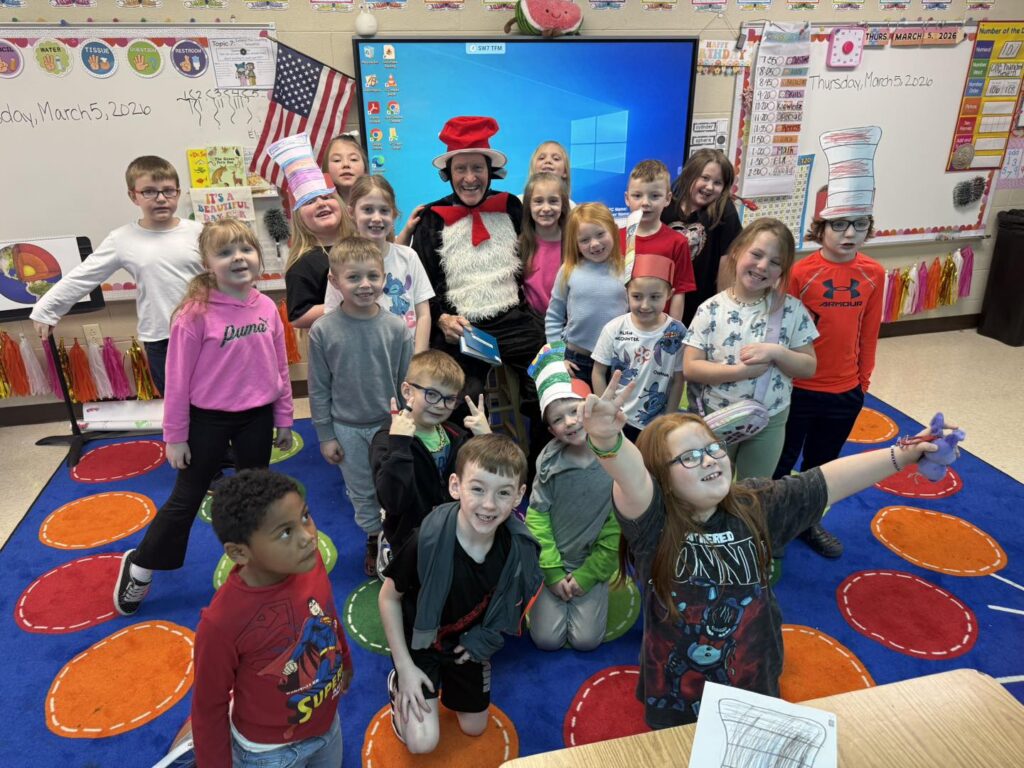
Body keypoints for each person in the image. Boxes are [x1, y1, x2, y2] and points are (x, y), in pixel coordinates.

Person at [579, 369, 957, 729]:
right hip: (678, 687)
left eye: (713, 448)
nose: (709, 460)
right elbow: (630, 474)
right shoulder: (652, 520)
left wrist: (904, 454)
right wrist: (608, 441)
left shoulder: (755, 502)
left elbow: (826, 481)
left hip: (752, 669)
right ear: (661, 478)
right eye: (689, 457)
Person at [114, 219, 293, 616]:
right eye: (225, 252)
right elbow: (177, 382)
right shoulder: (193, 315)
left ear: (258, 256)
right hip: (206, 420)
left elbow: (279, 367)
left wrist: (284, 416)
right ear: (207, 263)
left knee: (255, 494)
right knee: (188, 496)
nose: (238, 258)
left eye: (245, 249)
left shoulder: (265, 307)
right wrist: (175, 436)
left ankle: (258, 563)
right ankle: (141, 564)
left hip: (256, 417)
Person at [378, 434, 542, 754]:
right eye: (477, 489)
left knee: (474, 727)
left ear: (519, 495)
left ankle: (457, 677)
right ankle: (399, 684)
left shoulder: (516, 547)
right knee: (422, 743)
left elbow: (509, 605)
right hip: (421, 642)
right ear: (456, 486)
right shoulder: (426, 538)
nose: (489, 504)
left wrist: (482, 639)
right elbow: (388, 598)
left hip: (465, 641)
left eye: (503, 492)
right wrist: (406, 667)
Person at [410, 115, 548, 468]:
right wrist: (441, 318)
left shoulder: (512, 206)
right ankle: (461, 469)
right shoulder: (431, 217)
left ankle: (542, 465)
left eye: (477, 168)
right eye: (461, 169)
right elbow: (422, 282)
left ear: (490, 171)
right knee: (453, 392)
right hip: (461, 324)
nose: (469, 178)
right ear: (449, 173)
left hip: (512, 318)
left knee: (547, 378)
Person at [192, 470, 353, 767]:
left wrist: (345, 662)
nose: (308, 537)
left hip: (326, 723)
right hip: (268, 752)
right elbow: (208, 705)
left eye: (305, 516)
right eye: (285, 532)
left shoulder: (310, 563)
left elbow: (327, 616)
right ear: (239, 553)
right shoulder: (221, 623)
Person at [30, 155, 203, 395]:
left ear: (178, 192)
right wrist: (46, 309)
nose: (161, 198)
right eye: (149, 192)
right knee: (178, 403)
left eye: (168, 190)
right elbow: (85, 275)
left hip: (206, 332)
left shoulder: (199, 232)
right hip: (162, 337)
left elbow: (227, 276)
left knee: (219, 399)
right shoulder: (122, 239)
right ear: (133, 196)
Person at [772, 214, 885, 559]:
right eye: (838, 225)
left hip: (844, 391)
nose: (849, 233)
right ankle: (772, 524)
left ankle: (808, 523)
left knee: (823, 467)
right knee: (781, 462)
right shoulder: (800, 273)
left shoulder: (874, 273)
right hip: (798, 388)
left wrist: (862, 383)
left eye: (859, 225)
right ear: (820, 229)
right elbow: (783, 332)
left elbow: (869, 333)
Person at [308, 236, 414, 577]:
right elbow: (318, 388)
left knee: (395, 484)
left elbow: (407, 383)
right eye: (353, 277)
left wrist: (409, 424)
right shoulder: (322, 331)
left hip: (389, 425)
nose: (365, 284)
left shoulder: (397, 328)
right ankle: (373, 538)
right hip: (347, 428)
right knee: (361, 489)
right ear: (334, 280)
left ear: (384, 277)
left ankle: (396, 534)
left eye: (373, 276)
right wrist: (326, 436)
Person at [683, 218, 817, 481]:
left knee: (755, 488)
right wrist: (740, 371)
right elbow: (690, 367)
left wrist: (777, 352)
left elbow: (809, 366)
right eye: (756, 254)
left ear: (782, 271)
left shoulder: (791, 310)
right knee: (712, 483)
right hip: (717, 414)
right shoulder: (710, 309)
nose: (763, 266)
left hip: (770, 417)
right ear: (737, 252)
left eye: (775, 262)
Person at [525, 343, 619, 652]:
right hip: (553, 560)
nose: (569, 422)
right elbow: (537, 518)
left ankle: (594, 585)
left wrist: (589, 575)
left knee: (586, 641)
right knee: (546, 640)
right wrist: (552, 572)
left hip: (591, 561)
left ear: (589, 409)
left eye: (574, 411)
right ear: (551, 430)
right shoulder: (548, 462)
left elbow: (617, 523)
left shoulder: (613, 457)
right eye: (557, 419)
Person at [371, 350, 492, 562]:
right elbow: (392, 502)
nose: (440, 405)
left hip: (452, 530)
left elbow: (489, 478)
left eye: (449, 399)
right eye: (432, 394)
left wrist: (486, 439)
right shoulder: (388, 439)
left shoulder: (455, 435)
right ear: (407, 391)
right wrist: (399, 446)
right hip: (410, 540)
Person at [323, 175, 435, 353]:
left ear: (394, 214)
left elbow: (423, 314)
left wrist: (418, 359)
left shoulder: (409, 257)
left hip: (407, 359)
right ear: (351, 212)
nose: (376, 218)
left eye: (384, 210)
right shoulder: (342, 263)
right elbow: (331, 317)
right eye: (368, 209)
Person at [592, 254, 686, 443]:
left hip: (656, 424)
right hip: (618, 418)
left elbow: (678, 380)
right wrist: (606, 409)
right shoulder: (614, 329)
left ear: (669, 294)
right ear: (627, 292)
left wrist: (669, 420)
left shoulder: (677, 332)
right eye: (637, 296)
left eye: (655, 297)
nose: (645, 305)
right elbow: (598, 372)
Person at [270, 133, 356, 330]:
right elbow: (298, 317)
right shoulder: (303, 263)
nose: (320, 203)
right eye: (309, 202)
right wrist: (346, 304)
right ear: (299, 217)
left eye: (326, 197)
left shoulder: (359, 245)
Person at [544, 203, 627, 389]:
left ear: (614, 230)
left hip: (615, 363)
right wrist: (557, 357)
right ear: (575, 243)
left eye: (600, 234)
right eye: (584, 240)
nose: (594, 244)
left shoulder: (626, 269)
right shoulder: (568, 270)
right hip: (575, 362)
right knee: (577, 408)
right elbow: (553, 317)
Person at [663, 149, 743, 327]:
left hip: (702, 306)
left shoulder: (724, 212)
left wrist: (723, 309)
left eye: (717, 183)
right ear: (689, 174)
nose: (709, 187)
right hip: (663, 301)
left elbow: (727, 264)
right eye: (704, 178)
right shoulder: (666, 206)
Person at [621, 160, 696, 323]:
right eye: (637, 195)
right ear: (627, 198)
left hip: (658, 329)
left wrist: (672, 332)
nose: (645, 203)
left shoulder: (678, 242)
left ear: (668, 199)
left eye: (654, 196)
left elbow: (679, 292)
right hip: (619, 328)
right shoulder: (614, 238)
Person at [323, 133, 421, 245]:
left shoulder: (379, 203)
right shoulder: (325, 209)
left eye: (353, 159)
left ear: (365, 167)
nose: (346, 164)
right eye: (337, 160)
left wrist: (408, 229)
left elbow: (391, 251)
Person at [520, 172, 570, 316]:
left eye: (553, 201)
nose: (546, 208)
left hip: (566, 321)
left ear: (563, 204)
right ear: (528, 205)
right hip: (532, 323)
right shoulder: (521, 245)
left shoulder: (573, 242)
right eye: (538, 201)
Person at [527, 140, 574, 207]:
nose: (548, 161)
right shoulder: (518, 202)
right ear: (533, 168)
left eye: (556, 159)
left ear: (565, 171)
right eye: (541, 158)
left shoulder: (571, 207)